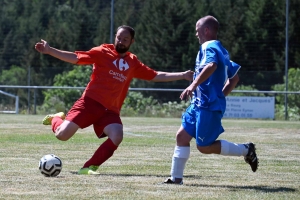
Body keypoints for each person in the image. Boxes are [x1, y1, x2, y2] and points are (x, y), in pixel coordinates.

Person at [35, 25, 194, 175]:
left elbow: (155, 75)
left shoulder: (133, 62)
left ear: (132, 41)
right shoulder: (102, 52)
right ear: (115, 37)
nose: (121, 41)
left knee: (117, 135)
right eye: (119, 37)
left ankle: (88, 167)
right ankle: (56, 118)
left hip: (110, 110)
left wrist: (182, 75)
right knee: (62, 135)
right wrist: (50, 50)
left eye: (125, 39)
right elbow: (76, 57)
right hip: (89, 103)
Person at [163, 16, 259, 185]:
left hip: (207, 107)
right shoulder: (222, 49)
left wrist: (192, 86)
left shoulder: (208, 46)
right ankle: (175, 179)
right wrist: (220, 95)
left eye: (197, 29)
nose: (195, 34)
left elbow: (211, 66)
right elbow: (234, 79)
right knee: (181, 137)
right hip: (199, 104)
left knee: (204, 146)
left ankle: (246, 149)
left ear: (206, 30)